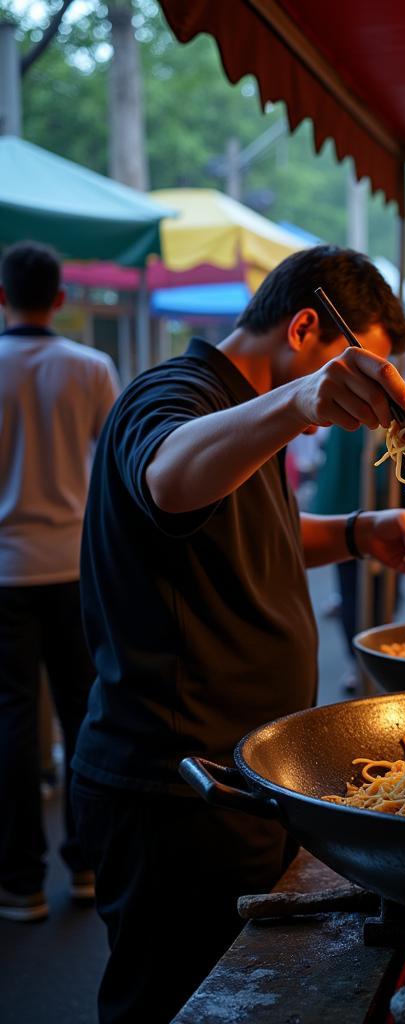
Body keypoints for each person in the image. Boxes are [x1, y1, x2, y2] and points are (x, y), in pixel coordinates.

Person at [70, 245, 405, 1024]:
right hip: (170, 793)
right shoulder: (174, 393)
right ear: (306, 328)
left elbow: (252, 527)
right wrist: (303, 401)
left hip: (235, 780)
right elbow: (168, 479)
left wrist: (358, 531)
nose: (361, 403)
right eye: (354, 369)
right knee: (164, 1004)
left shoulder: (244, 411)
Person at [0, 241, 120, 923]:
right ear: (61, 299)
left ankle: (17, 881)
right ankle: (88, 865)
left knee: (13, 722)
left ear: (0, 296)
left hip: (5, 570)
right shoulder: (91, 368)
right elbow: (113, 460)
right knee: (83, 714)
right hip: (74, 565)